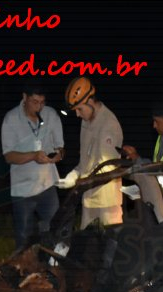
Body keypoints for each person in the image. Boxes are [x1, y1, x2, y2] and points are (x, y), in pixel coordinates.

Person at [1, 80, 65, 250]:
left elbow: (61, 147)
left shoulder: (51, 115)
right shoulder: (11, 119)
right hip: (23, 190)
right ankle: (24, 272)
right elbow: (8, 156)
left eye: (42, 102)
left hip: (48, 186)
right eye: (35, 102)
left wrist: (59, 154)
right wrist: (33, 156)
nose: (39, 107)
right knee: (24, 238)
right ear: (24, 97)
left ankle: (52, 269)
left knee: (56, 233)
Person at [57, 76, 124, 228]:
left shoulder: (109, 124)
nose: (78, 114)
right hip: (89, 198)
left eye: (79, 109)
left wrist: (80, 181)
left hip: (106, 201)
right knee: (86, 247)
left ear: (90, 101)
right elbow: (85, 160)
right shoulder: (86, 122)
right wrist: (74, 174)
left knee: (110, 246)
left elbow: (108, 167)